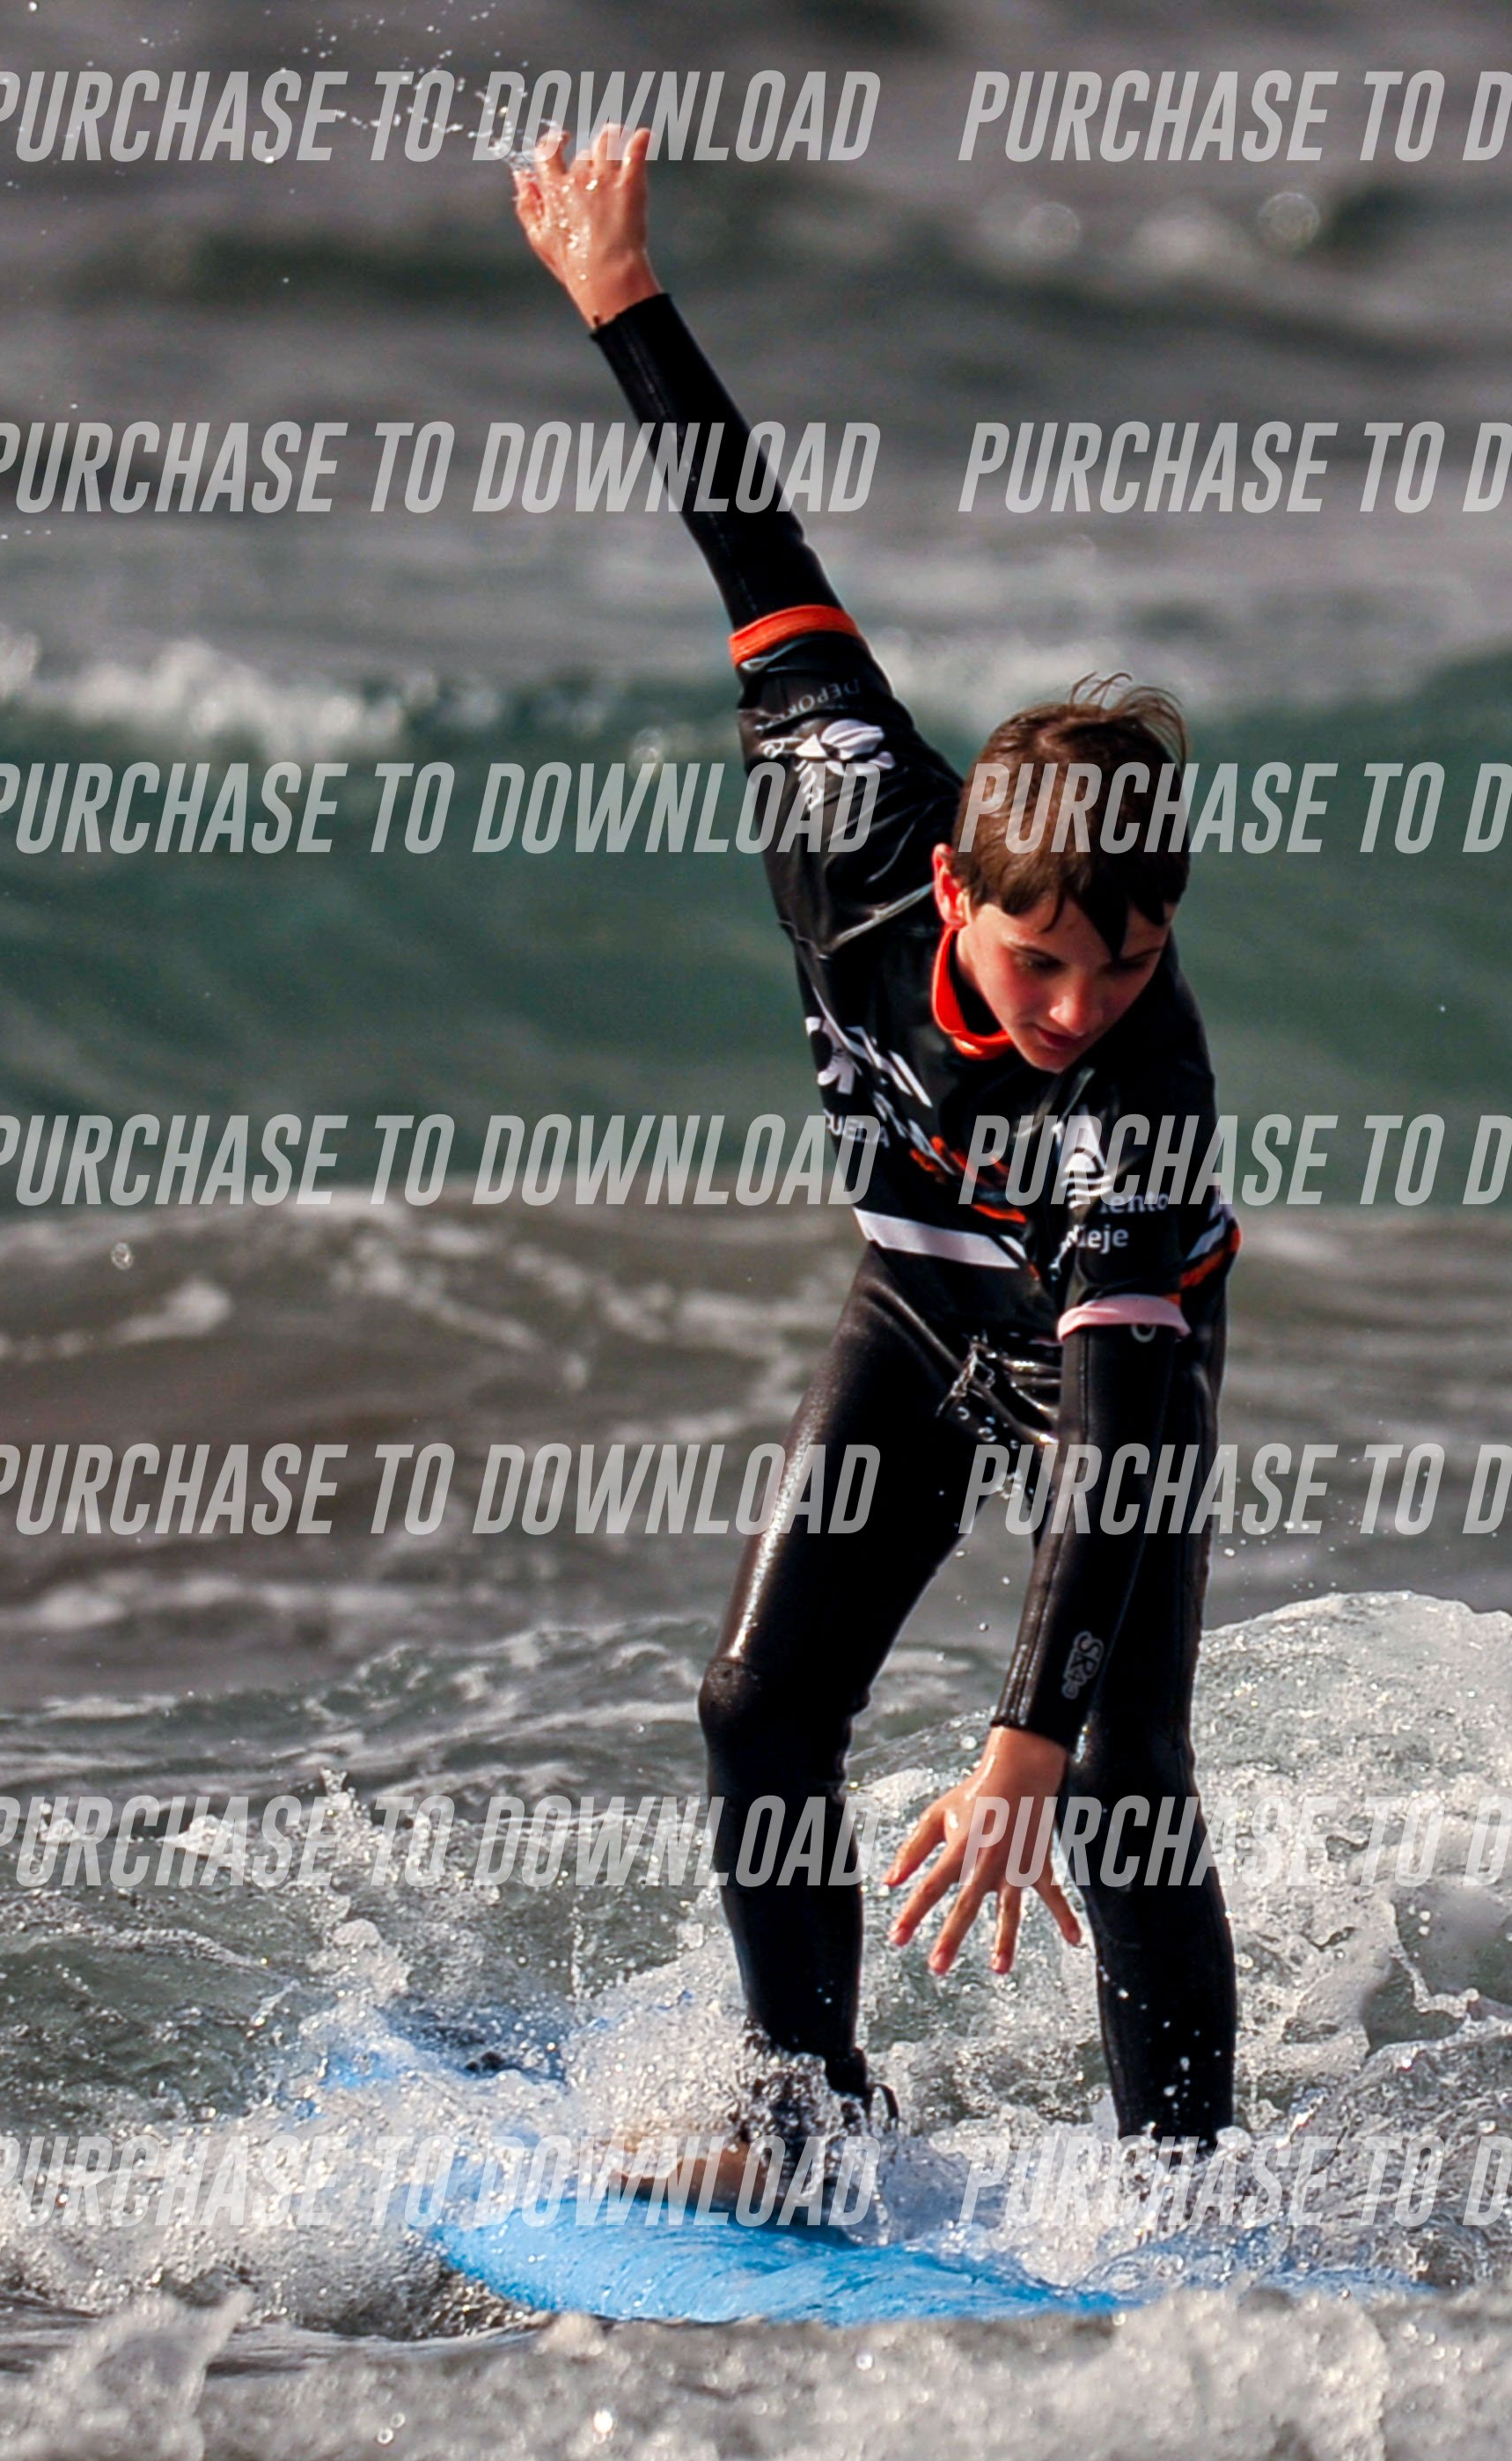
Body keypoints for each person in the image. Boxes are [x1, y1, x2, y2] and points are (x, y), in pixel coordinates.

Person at [510, 128, 1242, 2178]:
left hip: (1113, 1364)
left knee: (1119, 1778)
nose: (1079, 1004)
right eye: (1041, 960)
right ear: (953, 886)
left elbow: (1117, 1430)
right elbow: (751, 542)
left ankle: (1188, 2199)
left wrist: (1016, 1747)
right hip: (921, 1303)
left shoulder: (1136, 1095)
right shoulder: (847, 807)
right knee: (758, 1710)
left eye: (1126, 962)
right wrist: (620, 298)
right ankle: (806, 2105)